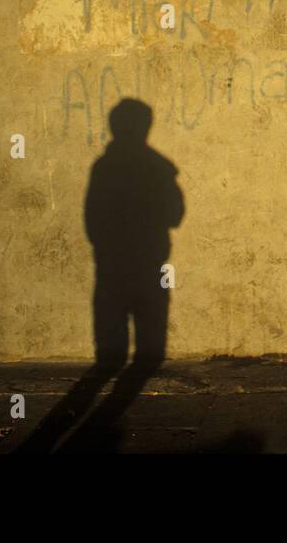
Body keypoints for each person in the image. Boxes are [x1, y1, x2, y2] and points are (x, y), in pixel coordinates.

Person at [84, 99, 184, 369]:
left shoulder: (104, 168)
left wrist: (105, 245)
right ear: (146, 127)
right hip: (149, 262)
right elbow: (175, 214)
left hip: (111, 263)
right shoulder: (159, 168)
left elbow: (91, 216)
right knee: (149, 342)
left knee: (109, 343)